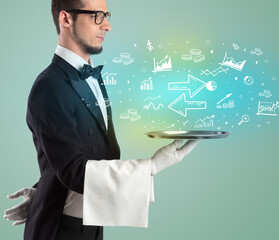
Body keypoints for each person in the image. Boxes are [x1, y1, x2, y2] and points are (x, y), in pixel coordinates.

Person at [3, 0, 200, 239]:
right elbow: (73, 170)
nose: (107, 25)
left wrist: (45, 191)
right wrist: (153, 166)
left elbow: (70, 155)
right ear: (66, 19)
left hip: (90, 222)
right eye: (96, 16)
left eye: (106, 15)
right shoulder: (49, 86)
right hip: (61, 230)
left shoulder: (92, 76)